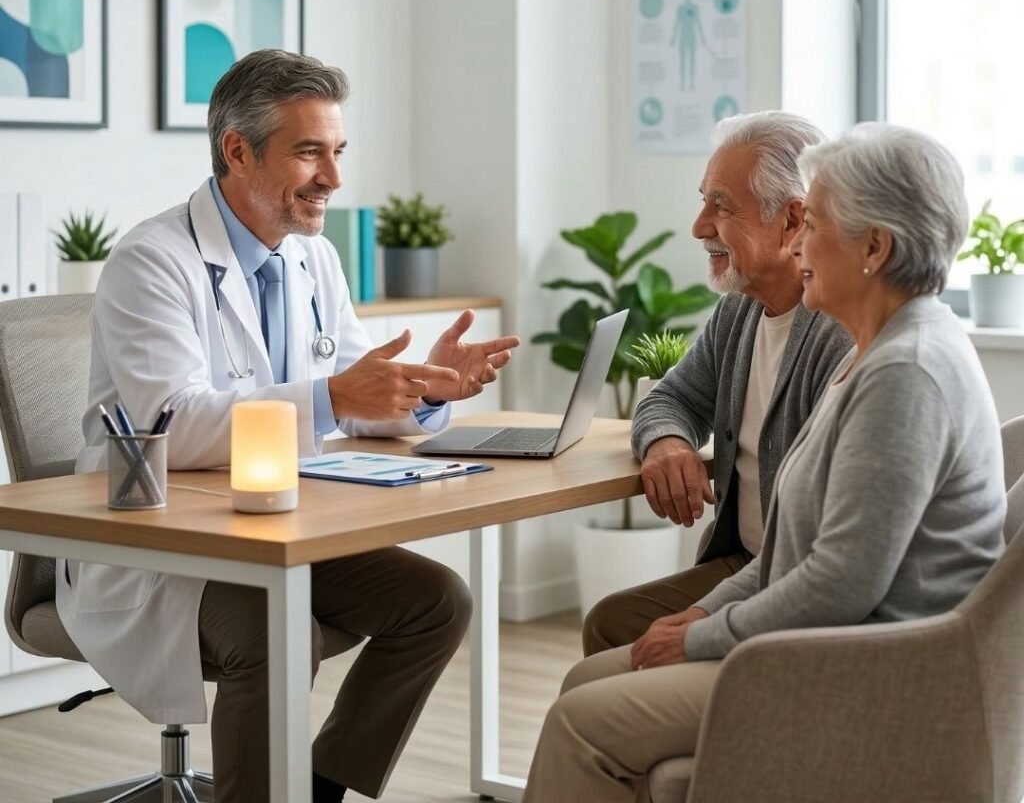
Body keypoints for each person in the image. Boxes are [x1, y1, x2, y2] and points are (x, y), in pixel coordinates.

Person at [56, 49, 521, 803]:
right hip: (163, 546)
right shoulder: (154, 261)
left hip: (277, 526)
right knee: (277, 635)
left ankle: (311, 789)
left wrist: (423, 387)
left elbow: (350, 394)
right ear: (238, 150)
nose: (333, 179)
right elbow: (171, 424)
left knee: (438, 601)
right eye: (310, 153)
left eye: (336, 152)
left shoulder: (313, 258)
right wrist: (339, 394)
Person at [523, 123, 1006, 802]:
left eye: (818, 222)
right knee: (589, 682)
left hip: (864, 666)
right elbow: (793, 549)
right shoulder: (880, 348)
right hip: (825, 638)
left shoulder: (907, 372)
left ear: (874, 248)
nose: (803, 241)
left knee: (581, 717)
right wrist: (706, 616)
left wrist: (702, 636)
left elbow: (841, 582)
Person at [584, 112, 852, 657]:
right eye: (703, 200)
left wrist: (708, 624)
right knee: (611, 624)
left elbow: (831, 554)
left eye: (721, 206)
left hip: (793, 579)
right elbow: (672, 396)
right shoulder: (739, 312)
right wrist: (666, 441)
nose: (699, 225)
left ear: (793, 220)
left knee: (617, 646)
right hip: (746, 563)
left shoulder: (840, 333)